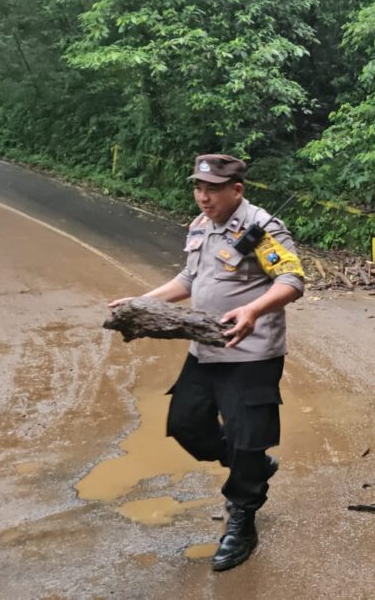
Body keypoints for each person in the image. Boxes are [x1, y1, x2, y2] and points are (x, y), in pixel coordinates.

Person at [109, 155, 305, 571]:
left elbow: (292, 281)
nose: (203, 196)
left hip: (251, 354)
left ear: (237, 189)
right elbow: (189, 279)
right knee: (185, 424)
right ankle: (251, 465)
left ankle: (243, 518)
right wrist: (144, 302)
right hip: (205, 347)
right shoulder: (200, 226)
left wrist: (252, 310)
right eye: (199, 188)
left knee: (247, 435)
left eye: (213, 189)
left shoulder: (262, 229)